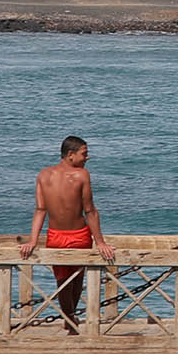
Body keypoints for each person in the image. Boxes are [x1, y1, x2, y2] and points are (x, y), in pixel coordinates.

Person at [17, 135, 115, 332]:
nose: (87, 158)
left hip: (55, 235)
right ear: (71, 155)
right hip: (79, 234)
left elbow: (40, 210)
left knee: (62, 280)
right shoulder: (82, 175)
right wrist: (100, 242)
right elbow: (90, 211)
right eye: (84, 154)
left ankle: (69, 318)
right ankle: (70, 318)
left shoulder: (43, 175)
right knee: (76, 278)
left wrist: (33, 240)